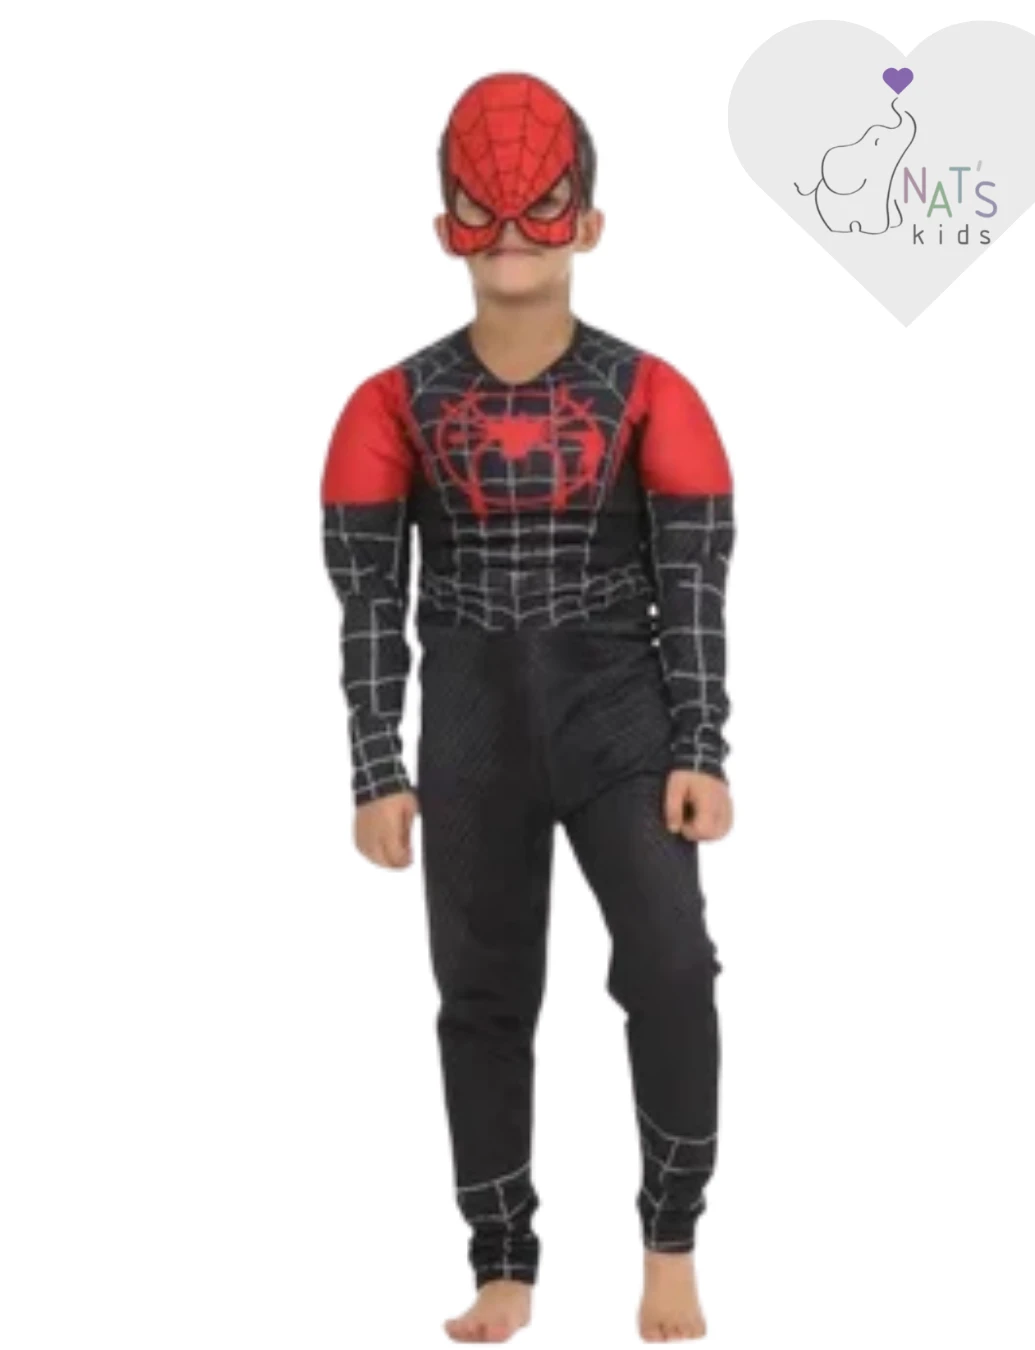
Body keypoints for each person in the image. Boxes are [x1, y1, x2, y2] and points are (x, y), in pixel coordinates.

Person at [320, 71, 736, 1344]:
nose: (510, 229)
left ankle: (670, 1244)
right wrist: (376, 766)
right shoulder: (388, 405)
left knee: (672, 967)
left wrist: (702, 745)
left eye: (542, 204)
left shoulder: (652, 391)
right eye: (482, 204)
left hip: (623, 718)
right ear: (444, 226)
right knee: (481, 994)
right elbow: (367, 599)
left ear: (589, 224)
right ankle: (503, 1260)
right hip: (471, 727)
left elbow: (694, 582)